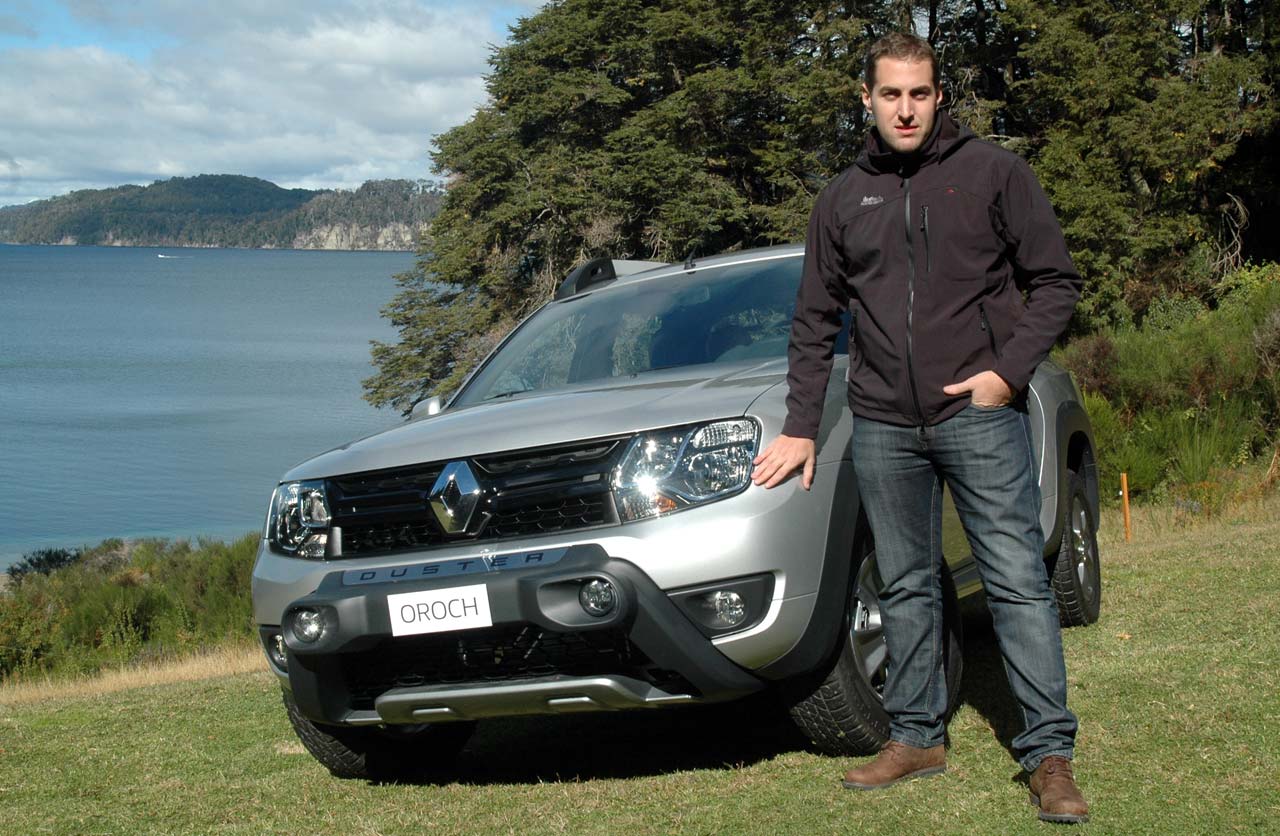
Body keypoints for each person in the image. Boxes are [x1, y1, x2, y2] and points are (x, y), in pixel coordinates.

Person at [750, 32, 1089, 824]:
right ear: (865, 99)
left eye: (920, 94)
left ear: (939, 97)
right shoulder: (842, 199)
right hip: (881, 423)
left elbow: (1055, 282)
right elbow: (813, 321)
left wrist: (1006, 374)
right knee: (905, 585)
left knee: (1016, 582)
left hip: (976, 414)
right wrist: (802, 426)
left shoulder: (994, 173)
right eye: (891, 94)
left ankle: (1049, 755)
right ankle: (916, 737)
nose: (905, 109)